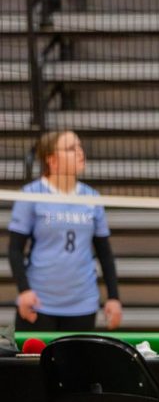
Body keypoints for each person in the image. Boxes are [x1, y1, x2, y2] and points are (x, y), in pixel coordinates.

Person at [8, 130, 121, 331]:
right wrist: (24, 291)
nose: (80, 152)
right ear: (52, 160)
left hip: (83, 304)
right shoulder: (32, 195)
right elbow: (15, 250)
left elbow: (104, 252)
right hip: (40, 303)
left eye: (80, 146)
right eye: (70, 148)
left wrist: (113, 297)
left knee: (77, 363)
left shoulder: (91, 197)